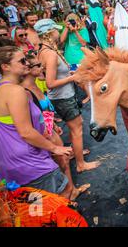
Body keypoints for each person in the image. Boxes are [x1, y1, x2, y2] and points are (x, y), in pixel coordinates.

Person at [0, 46, 75, 197]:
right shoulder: (15, 91)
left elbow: (15, 124)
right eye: (22, 61)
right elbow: (26, 132)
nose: (27, 64)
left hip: (14, 159)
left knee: (38, 207)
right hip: (28, 160)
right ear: (5, 66)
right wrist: (54, 148)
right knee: (60, 197)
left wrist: (46, 126)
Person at [21, 53, 90, 200]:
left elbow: (43, 110)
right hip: (43, 135)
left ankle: (72, 191)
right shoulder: (24, 91)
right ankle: (66, 197)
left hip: (49, 129)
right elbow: (29, 119)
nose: (42, 67)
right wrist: (47, 130)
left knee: (63, 162)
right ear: (27, 69)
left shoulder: (34, 85)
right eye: (38, 65)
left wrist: (51, 123)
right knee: (61, 162)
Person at [36, 19, 100, 173]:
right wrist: (72, 78)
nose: (59, 32)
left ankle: (75, 152)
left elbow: (42, 76)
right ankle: (80, 164)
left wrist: (67, 75)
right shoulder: (50, 54)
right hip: (62, 98)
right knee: (77, 129)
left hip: (60, 96)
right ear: (49, 33)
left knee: (75, 126)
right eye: (56, 30)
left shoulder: (43, 51)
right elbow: (50, 83)